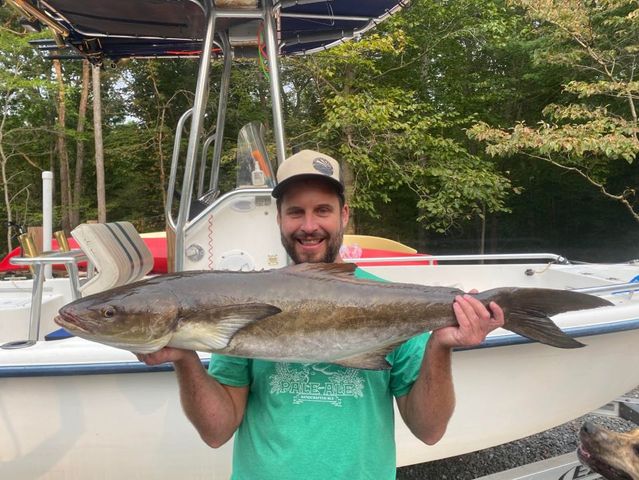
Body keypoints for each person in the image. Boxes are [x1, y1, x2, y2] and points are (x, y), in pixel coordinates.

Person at [137, 149, 505, 480]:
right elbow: (217, 432)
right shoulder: (239, 300)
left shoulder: (390, 300)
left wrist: (441, 346)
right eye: (295, 211)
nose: (309, 226)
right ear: (278, 218)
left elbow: (430, 430)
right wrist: (184, 358)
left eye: (322, 210)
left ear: (344, 214)